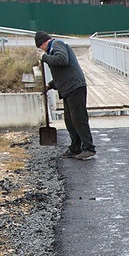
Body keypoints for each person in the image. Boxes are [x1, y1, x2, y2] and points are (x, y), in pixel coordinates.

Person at [36, 31, 96, 160]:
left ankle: (89, 148)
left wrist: (44, 58)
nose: (41, 50)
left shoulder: (57, 44)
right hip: (68, 88)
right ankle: (75, 147)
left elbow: (62, 60)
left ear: (43, 43)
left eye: (40, 47)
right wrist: (50, 85)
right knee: (70, 120)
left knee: (79, 119)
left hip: (75, 87)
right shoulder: (53, 49)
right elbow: (63, 73)